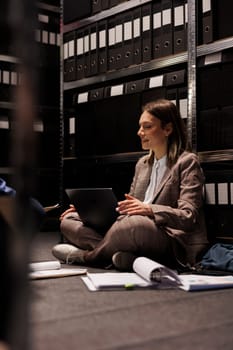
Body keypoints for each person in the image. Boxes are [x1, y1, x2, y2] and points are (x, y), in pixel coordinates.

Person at [52, 99, 209, 271]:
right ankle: (124, 256)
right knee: (68, 221)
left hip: (169, 237)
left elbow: (188, 216)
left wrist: (149, 209)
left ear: (168, 129)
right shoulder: (142, 164)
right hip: (134, 228)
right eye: (140, 126)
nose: (140, 132)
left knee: (133, 225)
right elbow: (129, 208)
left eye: (147, 127)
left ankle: (88, 257)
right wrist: (90, 212)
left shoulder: (187, 162)